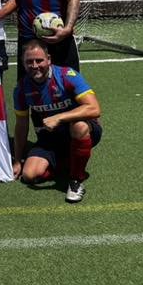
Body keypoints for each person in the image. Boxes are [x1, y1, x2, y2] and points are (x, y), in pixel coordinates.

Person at [12, 39, 102, 203]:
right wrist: (18, 160)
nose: (34, 66)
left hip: (81, 130)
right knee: (29, 175)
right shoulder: (21, 89)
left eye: (39, 60)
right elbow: (21, 125)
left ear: (49, 59)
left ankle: (76, 180)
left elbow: (94, 108)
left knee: (79, 126)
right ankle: (70, 160)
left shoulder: (67, 76)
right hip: (49, 138)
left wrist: (59, 117)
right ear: (23, 64)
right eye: (29, 62)